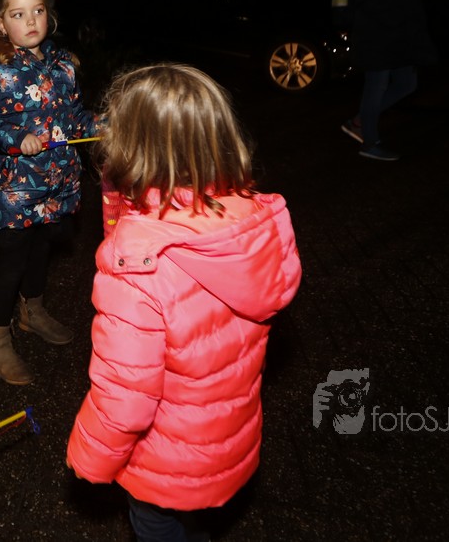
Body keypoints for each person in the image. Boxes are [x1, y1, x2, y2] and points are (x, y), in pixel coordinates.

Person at [65, 63, 303, 542]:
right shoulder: (251, 219)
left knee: (157, 526)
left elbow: (125, 399)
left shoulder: (138, 264)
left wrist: (89, 457)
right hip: (225, 437)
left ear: (131, 148)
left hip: (165, 458)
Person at [0, 0, 101, 386]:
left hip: (55, 183)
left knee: (42, 250)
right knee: (11, 262)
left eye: (37, 10)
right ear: (1, 24)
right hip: (12, 190)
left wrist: (102, 124)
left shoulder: (62, 64)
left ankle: (31, 311)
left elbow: (73, 118)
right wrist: (14, 138)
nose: (31, 20)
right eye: (18, 14)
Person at [331, 0, 437, 161]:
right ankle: (369, 141)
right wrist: (390, 22)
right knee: (375, 86)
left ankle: (359, 121)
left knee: (407, 83)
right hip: (378, 36)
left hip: (397, 36)